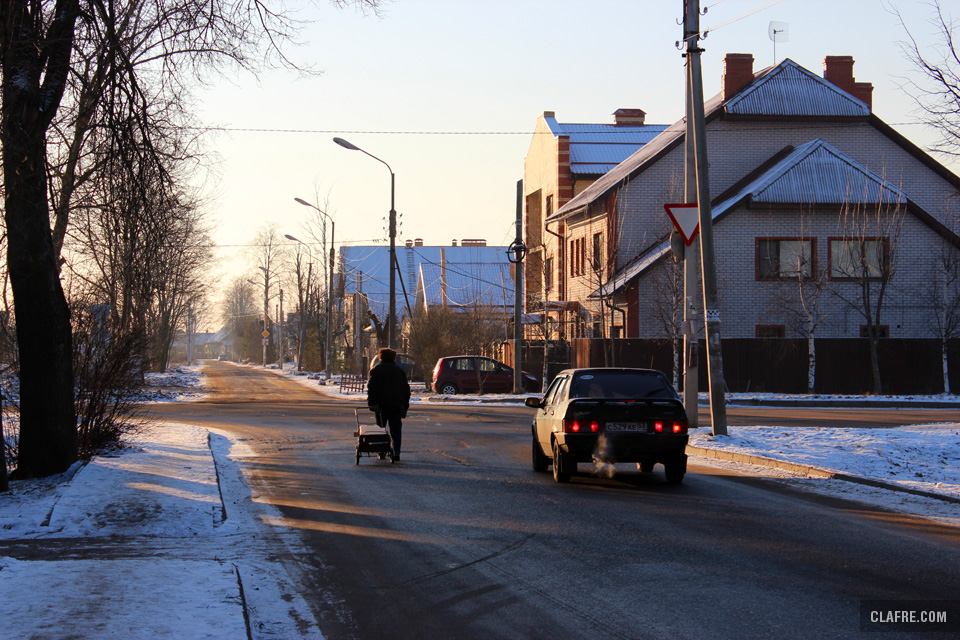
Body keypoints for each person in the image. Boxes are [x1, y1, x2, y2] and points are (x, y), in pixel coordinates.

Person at [366, 348, 411, 461]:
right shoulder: (400, 371)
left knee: (381, 429)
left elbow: (371, 388)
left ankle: (381, 451)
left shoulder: (376, 370)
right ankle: (396, 452)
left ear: (381, 357)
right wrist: (405, 407)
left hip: (380, 406)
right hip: (396, 405)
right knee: (396, 430)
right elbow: (406, 390)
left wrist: (372, 403)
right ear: (393, 358)